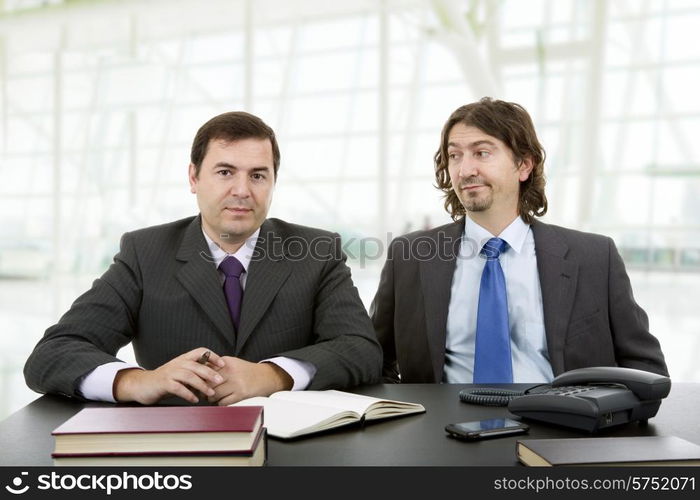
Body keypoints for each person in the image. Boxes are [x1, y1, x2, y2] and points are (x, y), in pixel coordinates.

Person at [24, 111, 382, 405]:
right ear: (194, 177)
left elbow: (361, 349)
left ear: (273, 183)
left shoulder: (316, 252)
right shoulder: (145, 253)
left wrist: (272, 374)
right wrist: (137, 382)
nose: (242, 190)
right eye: (225, 172)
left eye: (258, 175)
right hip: (175, 451)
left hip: (292, 450)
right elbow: (54, 352)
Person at [370, 97, 668, 384]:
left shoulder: (594, 257)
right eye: (455, 155)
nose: (465, 170)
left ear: (524, 165)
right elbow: (373, 360)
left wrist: (600, 417)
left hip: (560, 427)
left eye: (482, 153)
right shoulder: (410, 256)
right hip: (444, 430)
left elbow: (645, 368)